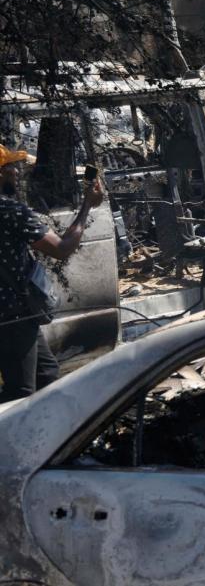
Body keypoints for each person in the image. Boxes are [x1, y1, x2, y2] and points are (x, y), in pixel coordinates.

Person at [0, 144, 104, 402]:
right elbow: (62, 248)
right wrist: (87, 206)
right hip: (13, 316)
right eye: (8, 167)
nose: (15, 172)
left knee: (46, 374)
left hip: (18, 314)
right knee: (21, 391)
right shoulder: (11, 212)